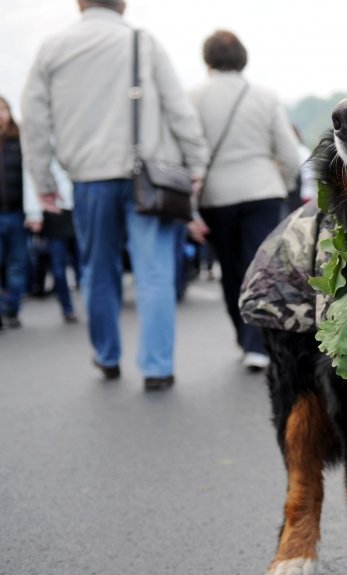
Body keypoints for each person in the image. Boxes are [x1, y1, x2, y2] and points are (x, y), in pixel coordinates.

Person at [21, 0, 209, 390]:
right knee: (155, 272)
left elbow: (35, 120)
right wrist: (196, 162)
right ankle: (157, 367)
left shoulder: (52, 48)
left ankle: (107, 356)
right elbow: (179, 109)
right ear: (122, 4)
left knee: (97, 271)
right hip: (147, 177)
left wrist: (43, 181)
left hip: (87, 178)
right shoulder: (143, 41)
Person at [189, 30, 300, 372]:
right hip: (261, 191)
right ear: (243, 57)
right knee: (261, 267)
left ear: (207, 59)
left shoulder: (192, 96)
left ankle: (244, 336)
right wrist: (280, 184)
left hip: (215, 194)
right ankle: (259, 344)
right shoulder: (263, 95)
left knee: (230, 268)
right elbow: (289, 154)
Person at [24, 160, 79, 323]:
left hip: (77, 206)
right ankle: (67, 307)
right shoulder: (38, 140)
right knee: (58, 266)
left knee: (85, 263)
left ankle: (96, 304)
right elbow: (30, 175)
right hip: (53, 209)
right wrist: (34, 213)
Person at [0, 95, 31, 330]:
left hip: (18, 213)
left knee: (17, 265)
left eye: (3, 109)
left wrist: (34, 212)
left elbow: (30, 177)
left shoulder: (20, 140)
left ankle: (12, 309)